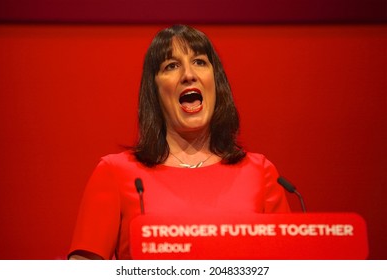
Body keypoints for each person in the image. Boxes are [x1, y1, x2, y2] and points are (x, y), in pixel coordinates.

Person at [68, 24, 290, 260]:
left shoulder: (260, 173)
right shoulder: (116, 173)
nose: (188, 75)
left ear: (216, 82)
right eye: (171, 66)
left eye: (200, 62)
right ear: (155, 90)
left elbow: (290, 266)